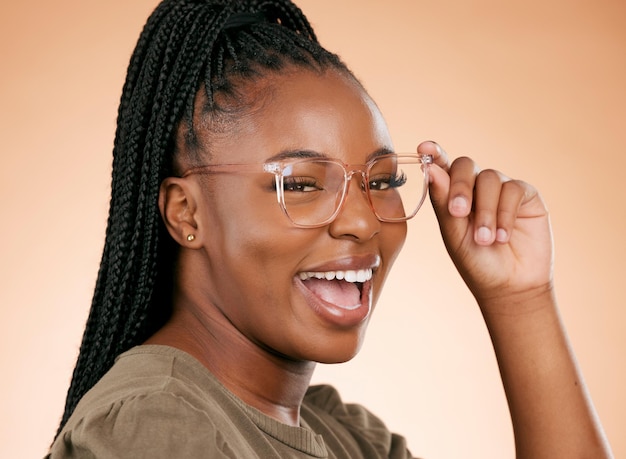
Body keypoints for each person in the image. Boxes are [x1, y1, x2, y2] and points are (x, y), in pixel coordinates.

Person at [47, 0, 613, 457]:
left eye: (384, 181)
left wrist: (521, 299)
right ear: (185, 213)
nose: (364, 219)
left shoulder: (347, 436)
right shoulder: (155, 423)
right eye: (301, 184)